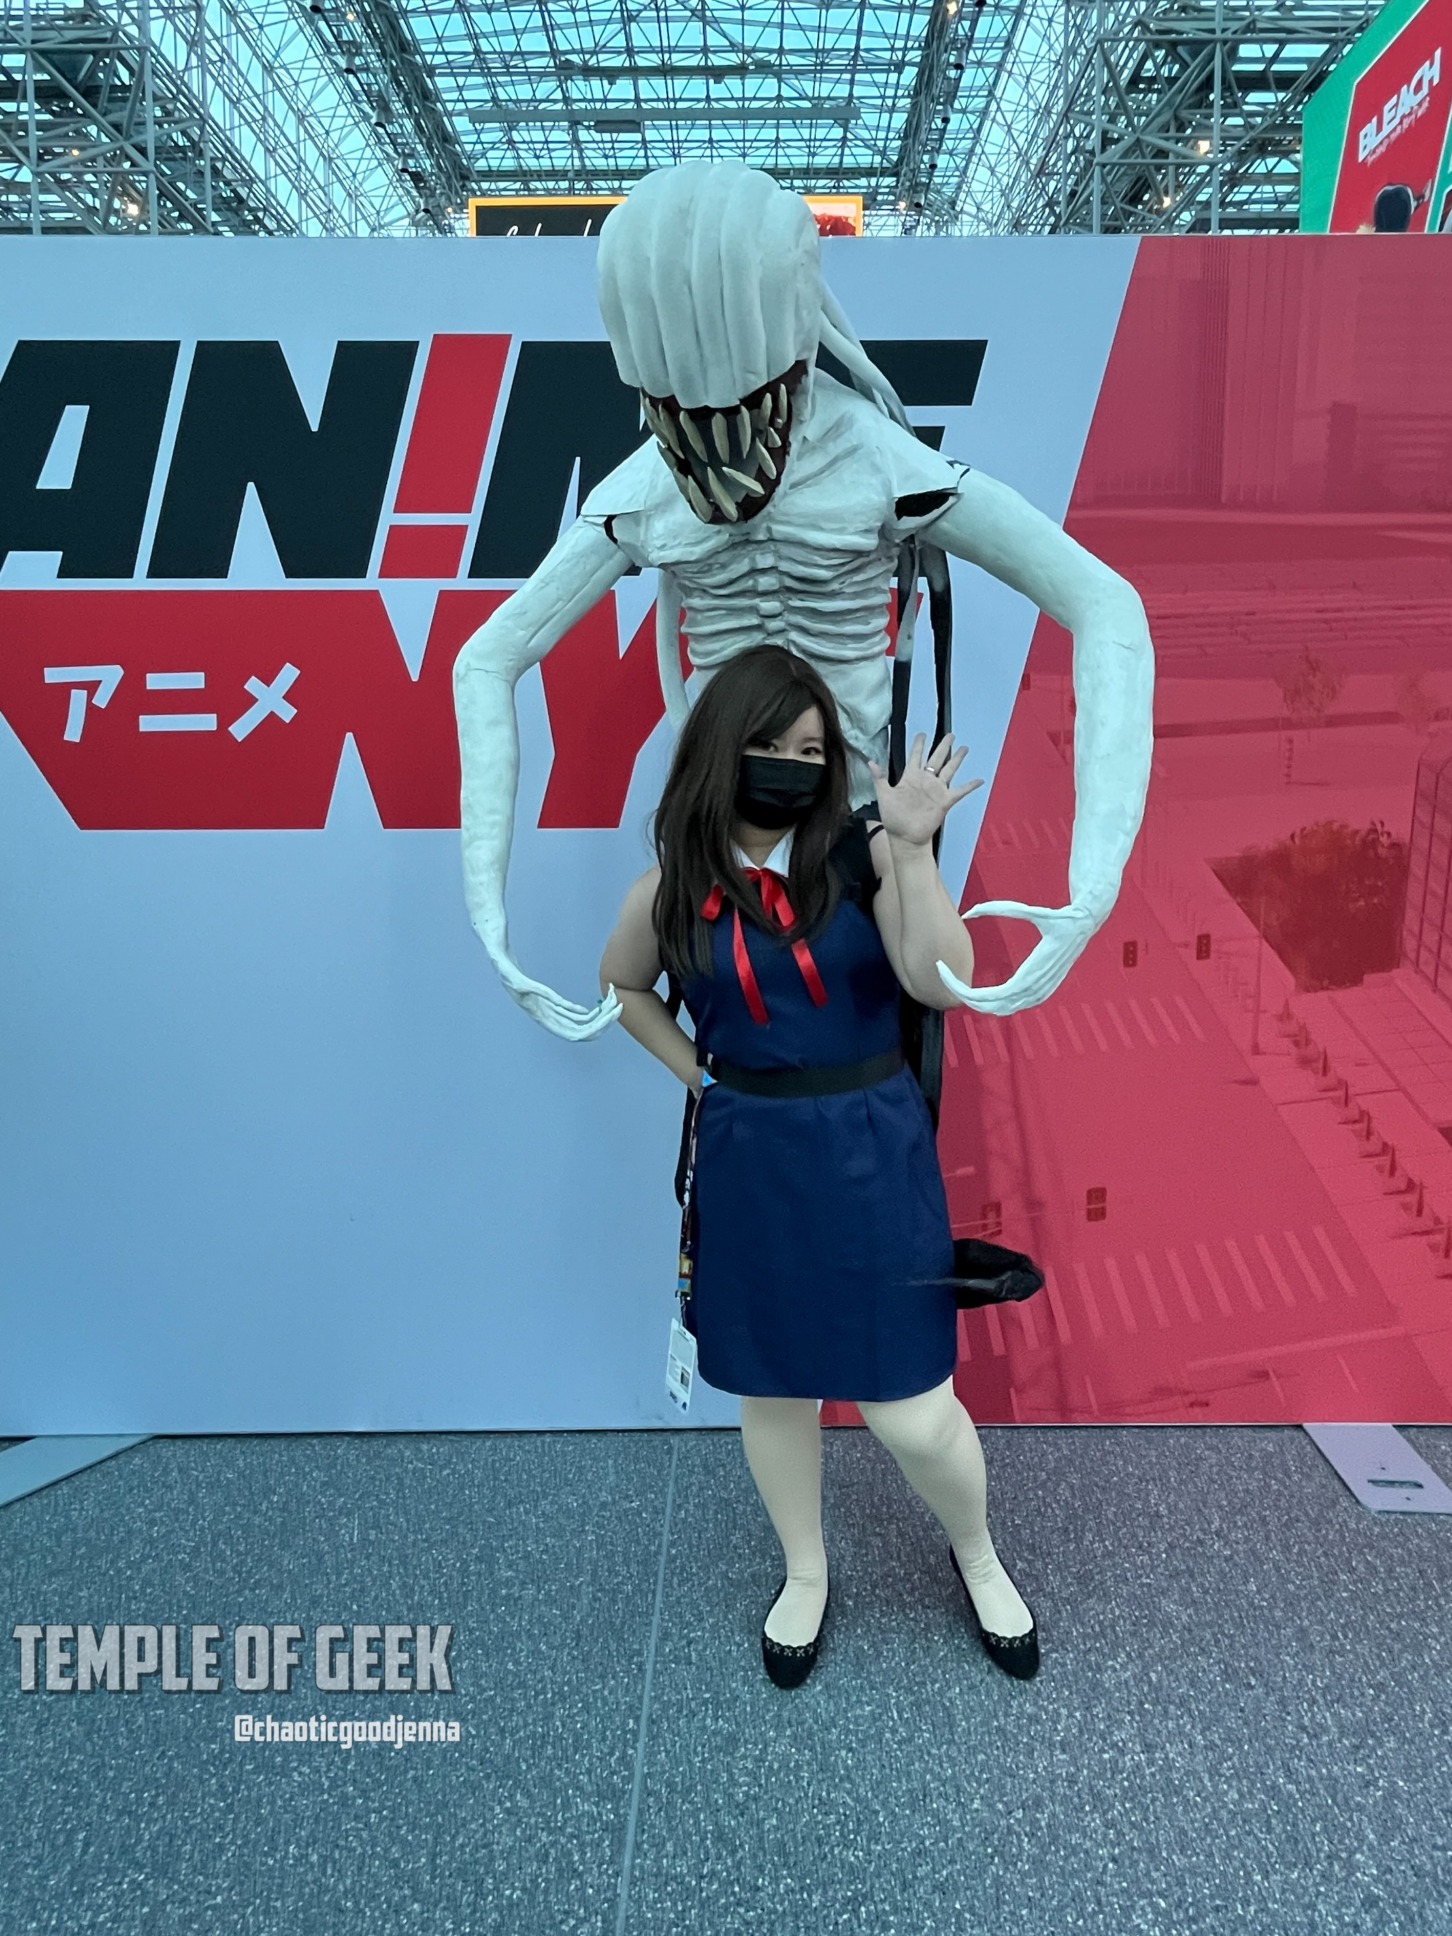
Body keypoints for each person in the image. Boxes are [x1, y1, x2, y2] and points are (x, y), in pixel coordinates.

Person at [599, 645, 1040, 1687]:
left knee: (912, 1410)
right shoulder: (672, 887)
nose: (792, 765)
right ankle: (805, 1570)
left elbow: (941, 980)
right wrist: (701, 1078)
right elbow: (625, 988)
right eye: (770, 745)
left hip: (872, 1151)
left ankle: (977, 1553)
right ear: (721, 750)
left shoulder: (862, 854)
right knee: (774, 1389)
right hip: (750, 1163)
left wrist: (915, 851)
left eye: (811, 749)